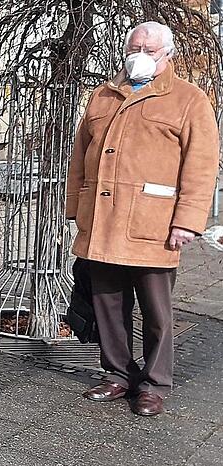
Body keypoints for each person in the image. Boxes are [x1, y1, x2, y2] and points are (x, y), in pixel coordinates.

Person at [66, 22, 219, 416]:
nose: (140, 54)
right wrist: (75, 209)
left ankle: (154, 384)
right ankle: (117, 374)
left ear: (167, 53)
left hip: (154, 226)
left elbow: (202, 166)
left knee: (156, 312)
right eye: (135, 47)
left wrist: (187, 220)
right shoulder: (102, 95)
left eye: (149, 49)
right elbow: (79, 160)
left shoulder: (189, 99)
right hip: (101, 222)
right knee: (108, 305)